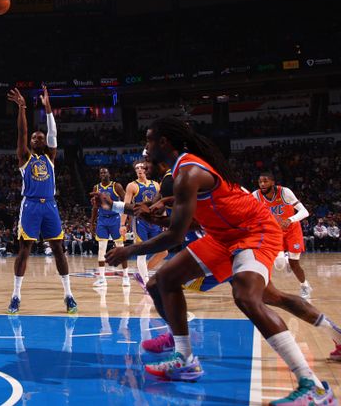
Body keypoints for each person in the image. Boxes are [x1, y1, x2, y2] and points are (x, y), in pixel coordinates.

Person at [105, 118, 336, 404]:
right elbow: (191, 223)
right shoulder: (182, 171)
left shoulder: (188, 172)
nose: (145, 148)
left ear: (164, 142)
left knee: (247, 297)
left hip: (254, 231)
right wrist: (160, 218)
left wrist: (128, 251)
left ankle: (313, 386)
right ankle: (185, 357)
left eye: (149, 140)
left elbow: (176, 236)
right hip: (223, 236)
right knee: (163, 280)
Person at [6, 86, 76, 314]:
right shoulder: (25, 158)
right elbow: (21, 134)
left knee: (59, 249)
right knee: (24, 250)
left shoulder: (50, 157)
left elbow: (54, 133)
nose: (36, 138)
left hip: (51, 206)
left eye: (40, 137)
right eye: (34, 137)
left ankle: (69, 295)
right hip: (31, 205)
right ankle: (16, 296)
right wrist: (23, 108)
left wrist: (48, 109)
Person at [252, 172, 312, 299]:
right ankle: (285, 259)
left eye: (265, 181)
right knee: (279, 266)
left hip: (292, 229)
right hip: (274, 232)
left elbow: (305, 212)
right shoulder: (255, 195)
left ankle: (305, 285)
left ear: (273, 182)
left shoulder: (285, 192)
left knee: (294, 263)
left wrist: (290, 219)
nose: (262, 184)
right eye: (260, 182)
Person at [90, 167, 129, 287]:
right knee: (101, 249)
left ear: (109, 174)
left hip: (115, 219)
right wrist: (92, 222)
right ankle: (102, 278)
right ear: (99, 175)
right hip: (102, 220)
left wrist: (126, 219)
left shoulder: (116, 186)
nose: (103, 174)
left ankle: (126, 276)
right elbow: (95, 207)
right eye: (101, 173)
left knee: (120, 247)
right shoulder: (96, 188)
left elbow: (126, 203)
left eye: (105, 172)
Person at [123, 160, 160, 285]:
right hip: (140, 221)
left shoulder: (156, 185)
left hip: (154, 220)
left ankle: (142, 273)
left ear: (146, 169)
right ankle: (146, 282)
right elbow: (125, 206)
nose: (139, 170)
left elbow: (162, 203)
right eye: (136, 168)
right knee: (142, 252)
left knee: (163, 250)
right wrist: (122, 225)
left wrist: (164, 220)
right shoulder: (132, 186)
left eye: (141, 167)